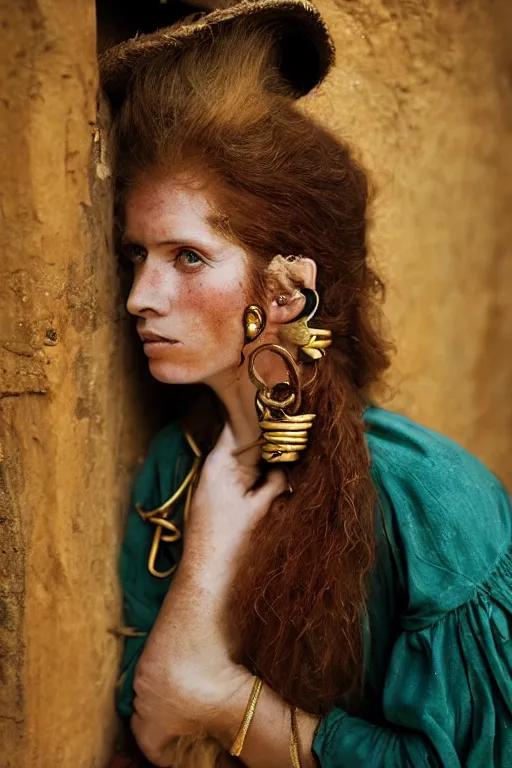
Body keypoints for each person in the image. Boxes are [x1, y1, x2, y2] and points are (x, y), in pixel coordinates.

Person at [101, 5, 512, 767]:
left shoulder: (433, 506)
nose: (139, 297)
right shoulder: (175, 470)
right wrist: (207, 555)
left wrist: (224, 701)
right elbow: (155, 731)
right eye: (135, 255)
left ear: (289, 293)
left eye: (187, 257)